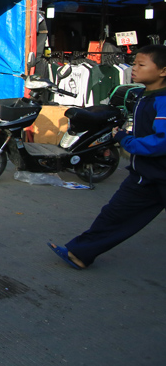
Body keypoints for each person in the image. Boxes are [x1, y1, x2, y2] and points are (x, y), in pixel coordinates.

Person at [48, 44, 166, 270]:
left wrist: (127, 141)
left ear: (163, 71)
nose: (134, 69)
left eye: (141, 65)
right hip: (144, 176)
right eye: (134, 63)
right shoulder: (143, 94)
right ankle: (80, 253)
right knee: (115, 214)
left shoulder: (163, 100)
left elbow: (162, 141)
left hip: (159, 172)